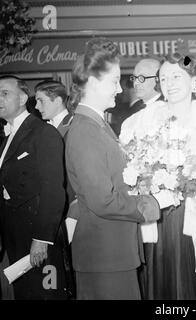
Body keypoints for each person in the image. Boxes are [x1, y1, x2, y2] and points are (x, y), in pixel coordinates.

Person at [119, 52, 196, 300]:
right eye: (164, 78)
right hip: (161, 218)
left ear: (194, 80)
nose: (169, 83)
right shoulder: (140, 122)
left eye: (176, 76)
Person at [65, 38, 160, 300]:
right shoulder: (86, 131)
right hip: (104, 255)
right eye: (114, 81)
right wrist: (146, 205)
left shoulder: (98, 126)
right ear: (94, 83)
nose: (119, 89)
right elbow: (102, 200)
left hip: (112, 253)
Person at [0, 75, 70, 300]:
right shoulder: (5, 137)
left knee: (47, 294)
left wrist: (41, 239)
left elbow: (53, 191)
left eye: (4, 93)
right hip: (15, 236)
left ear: (22, 98)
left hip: (37, 238)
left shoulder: (43, 133)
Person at [34, 80, 76, 297]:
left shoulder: (74, 125)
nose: (37, 107)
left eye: (41, 101)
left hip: (71, 211)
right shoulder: (43, 129)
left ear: (58, 100)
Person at [110, 58, 163, 136]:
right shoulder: (136, 107)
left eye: (142, 78)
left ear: (157, 79)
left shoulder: (165, 108)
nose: (136, 82)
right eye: (134, 78)